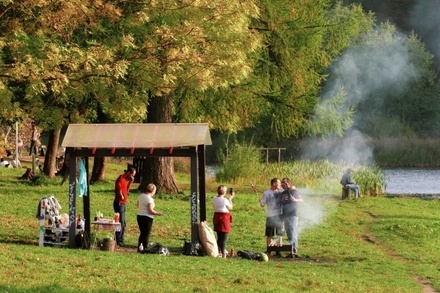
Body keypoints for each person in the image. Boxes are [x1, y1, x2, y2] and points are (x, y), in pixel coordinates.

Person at [136, 183, 163, 253]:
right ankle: (145, 248)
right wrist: (158, 213)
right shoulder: (149, 199)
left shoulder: (141, 196)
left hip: (139, 215)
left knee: (142, 233)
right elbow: (150, 210)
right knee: (146, 234)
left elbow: (138, 205)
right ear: (153, 191)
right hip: (147, 217)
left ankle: (139, 247)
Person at [259, 178, 284, 254]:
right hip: (270, 215)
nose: (280, 185)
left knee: (279, 233)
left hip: (279, 215)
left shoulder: (281, 191)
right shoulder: (266, 193)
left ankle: (278, 250)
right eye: (278, 183)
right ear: (274, 184)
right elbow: (263, 204)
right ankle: (269, 249)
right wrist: (261, 202)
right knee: (269, 233)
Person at [280, 177, 303, 257]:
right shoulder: (282, 193)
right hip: (285, 215)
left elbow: (301, 200)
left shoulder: (293, 191)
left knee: (293, 232)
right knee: (289, 232)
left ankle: (294, 251)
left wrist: (295, 200)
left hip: (293, 215)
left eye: (285, 183)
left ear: (288, 183)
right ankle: (291, 250)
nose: (283, 184)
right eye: (282, 183)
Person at [113, 167, 136, 246]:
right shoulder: (120, 178)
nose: (133, 176)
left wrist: (130, 182)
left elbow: (127, 190)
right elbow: (118, 189)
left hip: (123, 203)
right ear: (129, 172)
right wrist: (121, 195)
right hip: (119, 203)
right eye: (132, 175)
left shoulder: (125, 180)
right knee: (120, 222)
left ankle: (121, 239)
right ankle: (118, 240)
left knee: (123, 223)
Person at [212, 185, 234, 258]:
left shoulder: (214, 199)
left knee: (219, 236)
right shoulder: (225, 200)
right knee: (224, 237)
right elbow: (230, 207)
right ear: (224, 192)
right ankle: (223, 253)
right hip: (224, 219)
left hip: (217, 218)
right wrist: (230, 199)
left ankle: (219, 251)